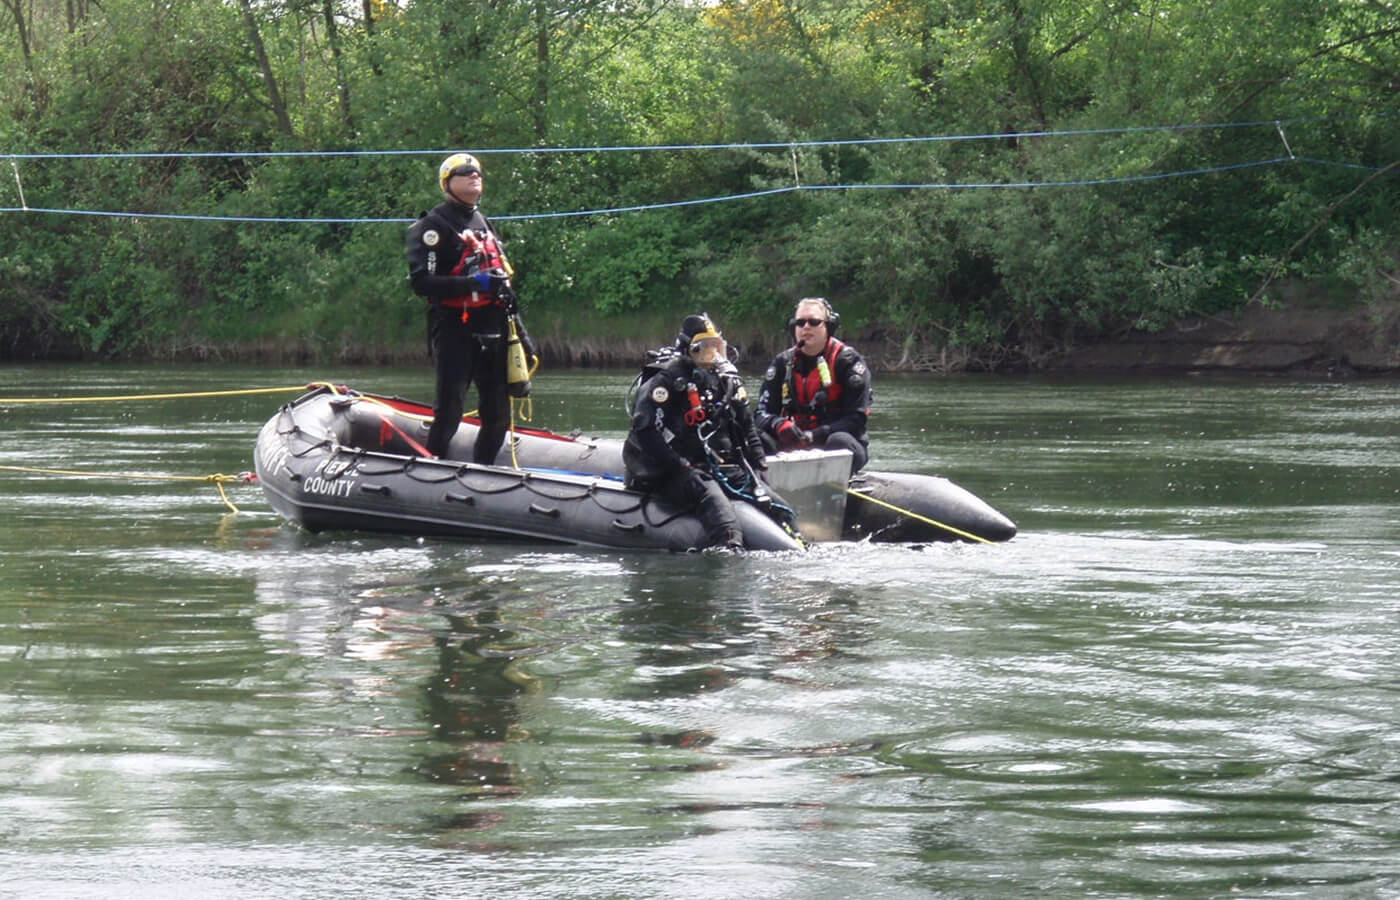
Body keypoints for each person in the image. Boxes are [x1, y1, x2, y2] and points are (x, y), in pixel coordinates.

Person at [404, 152, 535, 463]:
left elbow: (502, 286)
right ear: (447, 184)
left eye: (477, 172)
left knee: (498, 414)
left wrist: (524, 336)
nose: (474, 175)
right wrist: (475, 284)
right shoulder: (432, 227)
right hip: (455, 328)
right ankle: (431, 469)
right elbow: (423, 282)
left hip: (495, 327)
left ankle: (484, 473)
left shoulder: (483, 221)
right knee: (449, 411)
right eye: (465, 173)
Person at [624, 314, 772, 550]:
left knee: (771, 500)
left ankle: (796, 536)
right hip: (673, 469)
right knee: (710, 497)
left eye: (717, 347)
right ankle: (729, 547)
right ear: (688, 350)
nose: (712, 355)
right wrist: (679, 464)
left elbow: (746, 423)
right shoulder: (668, 381)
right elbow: (646, 432)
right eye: (704, 348)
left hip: (711, 463)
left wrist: (758, 462)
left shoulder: (725, 380)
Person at [755, 297, 872, 471]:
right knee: (755, 436)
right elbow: (761, 414)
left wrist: (814, 435)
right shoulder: (782, 363)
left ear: (828, 327)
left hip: (833, 441)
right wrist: (778, 424)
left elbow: (856, 419)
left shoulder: (848, 362)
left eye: (814, 322)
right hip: (793, 442)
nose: (806, 327)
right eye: (800, 323)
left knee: (839, 440)